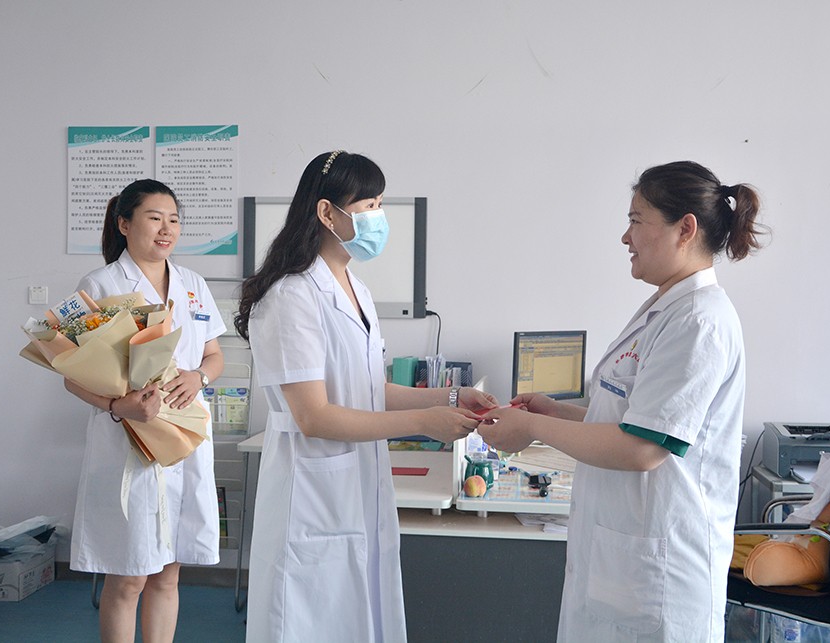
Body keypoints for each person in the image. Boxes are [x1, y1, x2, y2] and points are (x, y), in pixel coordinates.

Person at [480, 161, 767, 642]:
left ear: (685, 229)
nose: (625, 237)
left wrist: (530, 428)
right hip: (625, 566)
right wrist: (557, 411)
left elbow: (642, 449)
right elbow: (633, 418)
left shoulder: (698, 322)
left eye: (636, 221)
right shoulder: (667, 308)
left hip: (659, 576)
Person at [235, 151, 497, 642]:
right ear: (327, 213)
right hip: (311, 494)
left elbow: (369, 387)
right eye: (369, 205)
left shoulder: (355, 286)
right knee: (311, 621)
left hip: (357, 486)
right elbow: (313, 416)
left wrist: (453, 396)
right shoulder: (291, 295)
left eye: (380, 204)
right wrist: (424, 423)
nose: (379, 217)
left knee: (361, 614)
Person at [64, 179, 225, 643]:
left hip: (184, 436)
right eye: (154, 218)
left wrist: (199, 377)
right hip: (127, 442)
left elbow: (214, 356)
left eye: (173, 219)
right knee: (129, 575)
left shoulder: (193, 285)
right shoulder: (98, 284)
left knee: (169, 574)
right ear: (124, 223)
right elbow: (71, 375)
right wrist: (120, 405)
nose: (166, 229)